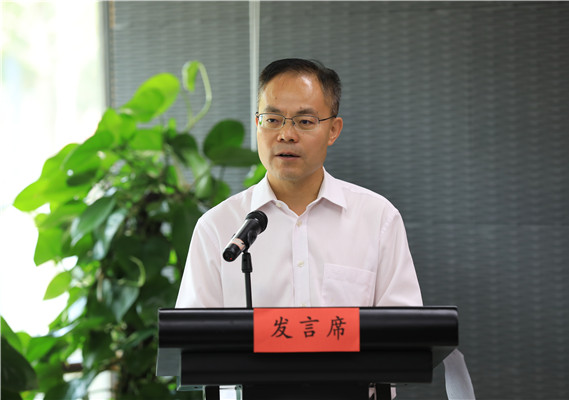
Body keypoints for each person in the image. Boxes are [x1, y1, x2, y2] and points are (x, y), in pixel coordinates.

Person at [176, 58, 421, 310]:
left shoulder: (377, 219)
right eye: (272, 120)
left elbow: (404, 326)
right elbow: (194, 330)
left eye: (305, 122)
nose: (286, 135)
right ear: (257, 124)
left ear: (333, 130)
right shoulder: (216, 228)